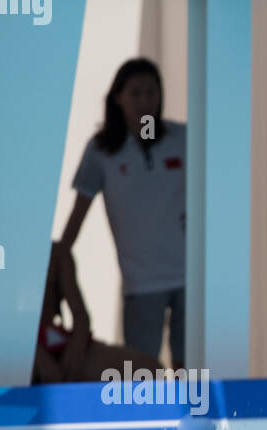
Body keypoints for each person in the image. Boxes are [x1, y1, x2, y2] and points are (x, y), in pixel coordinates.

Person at [59, 58, 186, 368]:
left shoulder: (182, 138)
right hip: (141, 281)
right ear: (118, 97)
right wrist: (59, 257)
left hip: (189, 274)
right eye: (136, 92)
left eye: (151, 91)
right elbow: (79, 211)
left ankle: (190, 416)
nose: (145, 100)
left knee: (189, 367)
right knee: (142, 370)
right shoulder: (101, 151)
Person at [32, 243, 161, 384]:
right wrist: (37, 356)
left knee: (150, 369)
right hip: (15, 348)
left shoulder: (56, 252)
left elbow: (80, 314)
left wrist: (76, 350)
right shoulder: (5, 253)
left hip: (55, 340)